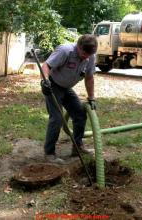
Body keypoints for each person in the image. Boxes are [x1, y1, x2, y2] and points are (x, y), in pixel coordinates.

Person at [40, 34, 98, 164]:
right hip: (53, 86)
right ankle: (49, 153)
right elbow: (46, 66)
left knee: (80, 114)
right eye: (84, 53)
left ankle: (77, 148)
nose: (86, 57)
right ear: (79, 46)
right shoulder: (65, 51)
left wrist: (91, 98)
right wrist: (45, 82)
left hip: (66, 88)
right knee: (57, 118)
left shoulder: (90, 57)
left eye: (89, 54)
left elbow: (89, 77)